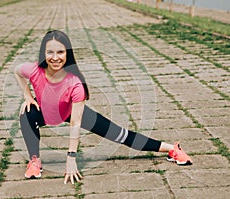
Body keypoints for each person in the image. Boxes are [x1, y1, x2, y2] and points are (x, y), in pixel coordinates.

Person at [14, 30, 192, 184]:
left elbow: (75, 123)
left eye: (60, 52)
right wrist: (27, 96)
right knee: (27, 113)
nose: (55, 57)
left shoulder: (75, 83)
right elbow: (17, 71)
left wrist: (71, 158)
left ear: (67, 53)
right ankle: (35, 161)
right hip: (45, 112)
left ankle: (171, 149)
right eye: (50, 52)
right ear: (43, 53)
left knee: (121, 135)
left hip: (72, 113)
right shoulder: (34, 70)